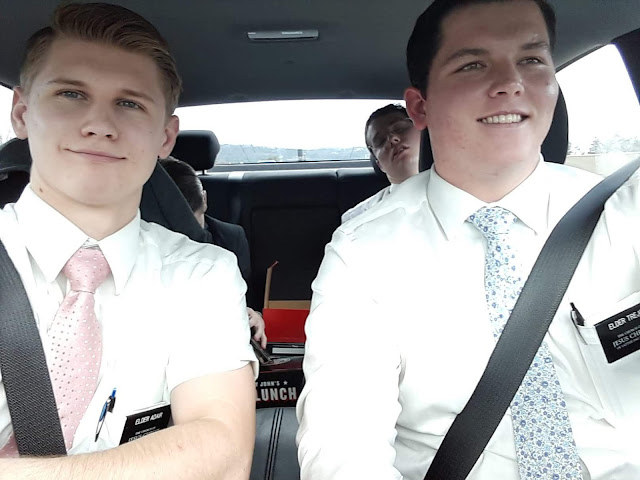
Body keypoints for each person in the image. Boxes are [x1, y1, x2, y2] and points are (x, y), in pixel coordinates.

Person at [296, 0, 640, 479]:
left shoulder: (623, 211)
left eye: (532, 59)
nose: (511, 83)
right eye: (474, 64)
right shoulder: (362, 252)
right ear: (421, 107)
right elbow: (343, 444)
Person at [0, 3, 257, 479]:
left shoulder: (202, 273)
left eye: (130, 103)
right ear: (21, 112)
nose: (100, 124)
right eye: (71, 93)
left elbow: (222, 455)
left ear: (166, 137)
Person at [158, 155, 267, 348]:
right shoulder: (143, 244)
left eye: (192, 228)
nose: (185, 240)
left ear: (205, 200)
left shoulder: (230, 238)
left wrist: (254, 315)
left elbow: (247, 299)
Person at [341, 104, 420, 223]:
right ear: (379, 164)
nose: (392, 139)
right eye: (380, 141)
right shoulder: (358, 219)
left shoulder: (450, 189)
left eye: (400, 129)